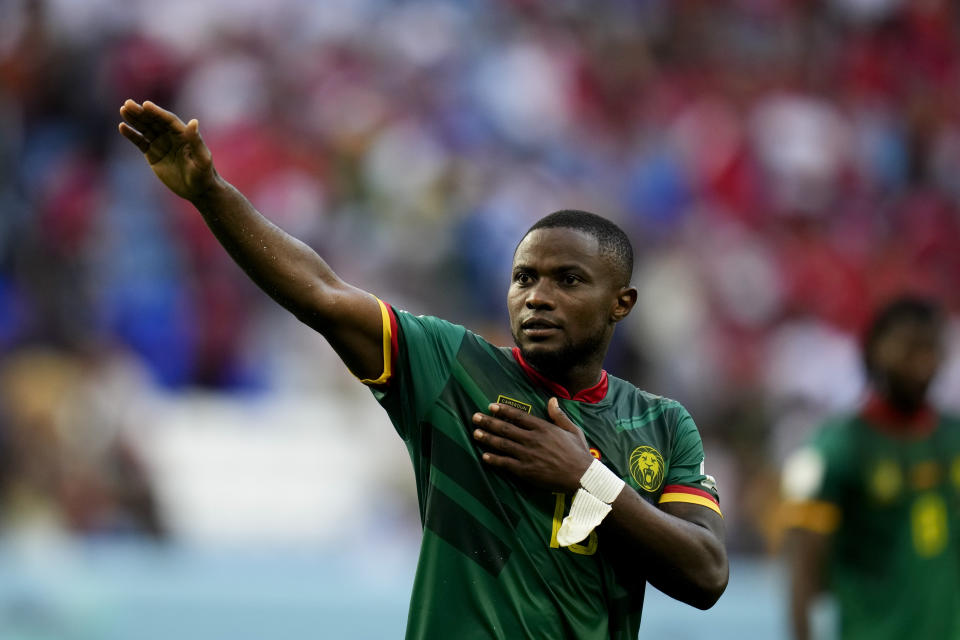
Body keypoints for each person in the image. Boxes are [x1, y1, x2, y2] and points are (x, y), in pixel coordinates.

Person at [117, 100, 728, 639]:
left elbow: (705, 574)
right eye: (524, 279)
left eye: (568, 281)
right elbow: (321, 293)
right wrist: (211, 193)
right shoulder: (452, 369)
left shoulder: (663, 425)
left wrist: (585, 478)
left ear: (621, 303)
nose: (537, 297)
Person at [781, 296, 960, 640]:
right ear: (876, 349)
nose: (922, 364)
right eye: (909, 349)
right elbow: (803, 570)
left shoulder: (953, 440)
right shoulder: (836, 448)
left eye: (930, 350)